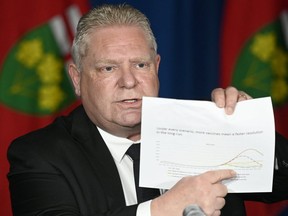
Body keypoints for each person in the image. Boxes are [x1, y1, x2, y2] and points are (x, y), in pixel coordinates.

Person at [7, 4, 288, 216]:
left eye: (140, 65)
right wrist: (162, 209)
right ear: (77, 79)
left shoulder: (203, 131)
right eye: (108, 68)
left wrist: (250, 130)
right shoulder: (39, 155)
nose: (129, 81)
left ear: (157, 68)